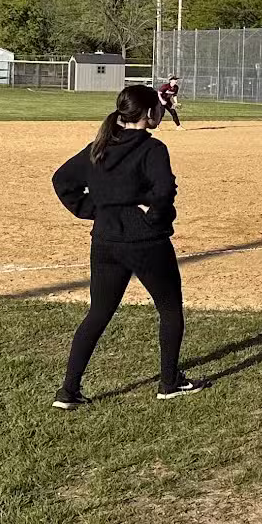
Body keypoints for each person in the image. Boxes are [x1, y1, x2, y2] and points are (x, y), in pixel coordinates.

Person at [50, 83, 200, 408]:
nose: (160, 112)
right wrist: (154, 220)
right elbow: (163, 193)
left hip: (105, 241)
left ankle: (68, 392)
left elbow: (62, 180)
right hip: (145, 241)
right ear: (148, 114)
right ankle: (168, 382)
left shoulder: (99, 146)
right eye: (157, 109)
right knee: (170, 308)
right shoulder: (152, 148)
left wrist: (96, 211)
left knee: (99, 313)